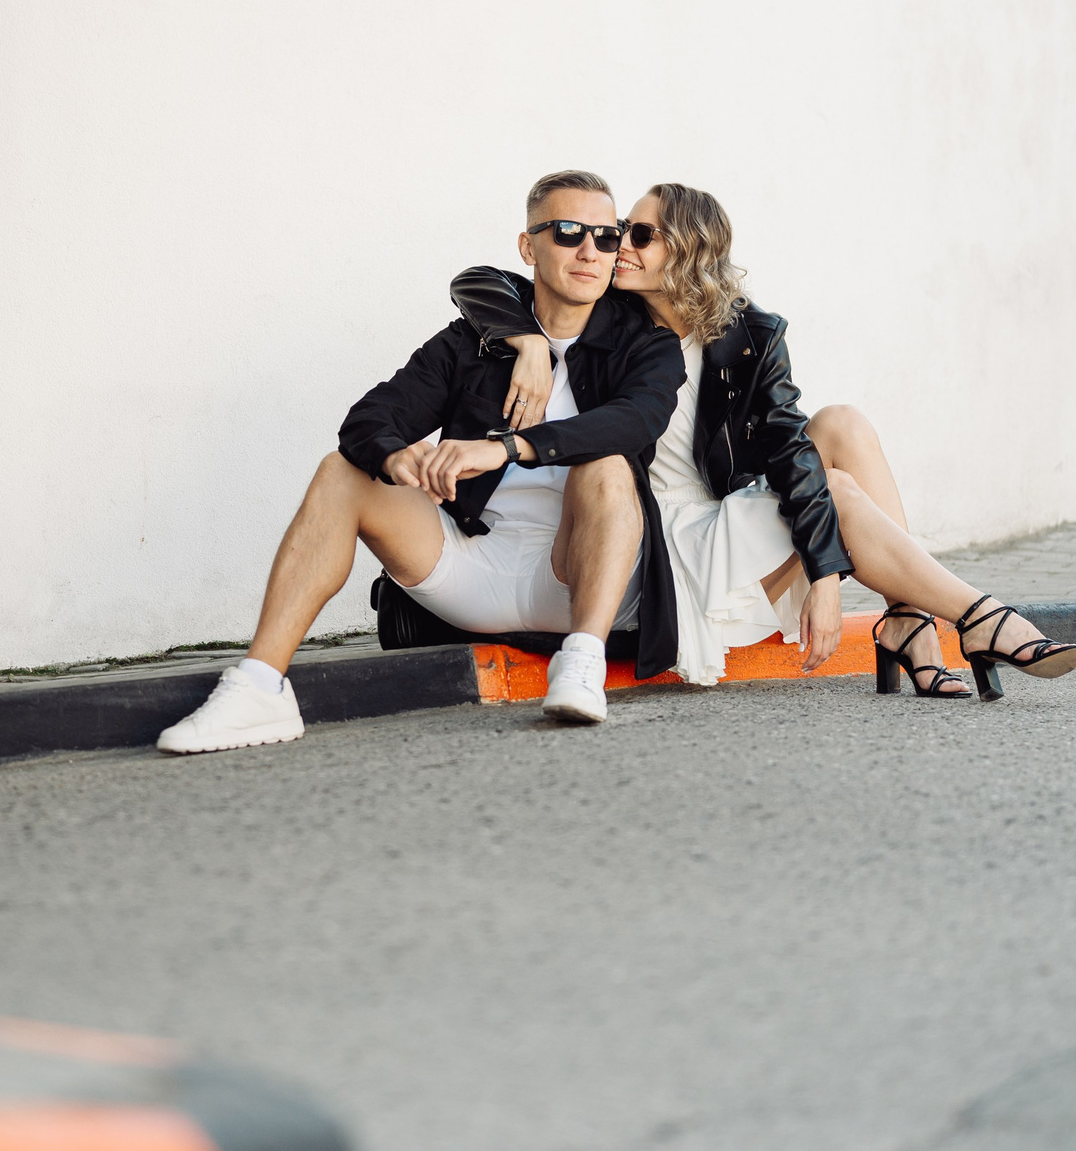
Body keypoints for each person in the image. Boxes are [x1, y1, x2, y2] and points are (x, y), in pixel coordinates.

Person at [450, 182, 1076, 699]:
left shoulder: (747, 332)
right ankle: (976, 617)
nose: (614, 249)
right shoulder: (608, 318)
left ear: (688, 250)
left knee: (842, 425)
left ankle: (909, 616)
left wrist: (827, 576)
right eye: (621, 233)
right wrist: (528, 342)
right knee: (832, 488)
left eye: (637, 235)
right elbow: (481, 280)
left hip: (724, 513)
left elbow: (786, 443)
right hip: (659, 533)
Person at [156, 171, 686, 754]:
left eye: (606, 237)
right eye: (566, 232)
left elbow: (637, 420)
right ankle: (259, 688)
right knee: (342, 471)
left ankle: (580, 664)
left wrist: (503, 448)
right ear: (527, 246)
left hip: (583, 575)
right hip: (473, 560)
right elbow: (368, 418)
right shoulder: (472, 342)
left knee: (607, 464)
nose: (589, 250)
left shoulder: (645, 342)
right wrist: (400, 457)